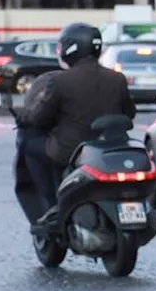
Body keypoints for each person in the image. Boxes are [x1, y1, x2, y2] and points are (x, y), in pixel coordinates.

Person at [18, 22, 135, 211]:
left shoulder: (60, 81)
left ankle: (51, 201)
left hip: (69, 151)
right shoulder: (117, 79)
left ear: (69, 48)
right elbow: (129, 113)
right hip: (108, 149)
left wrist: (23, 117)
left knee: (28, 144)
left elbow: (39, 118)